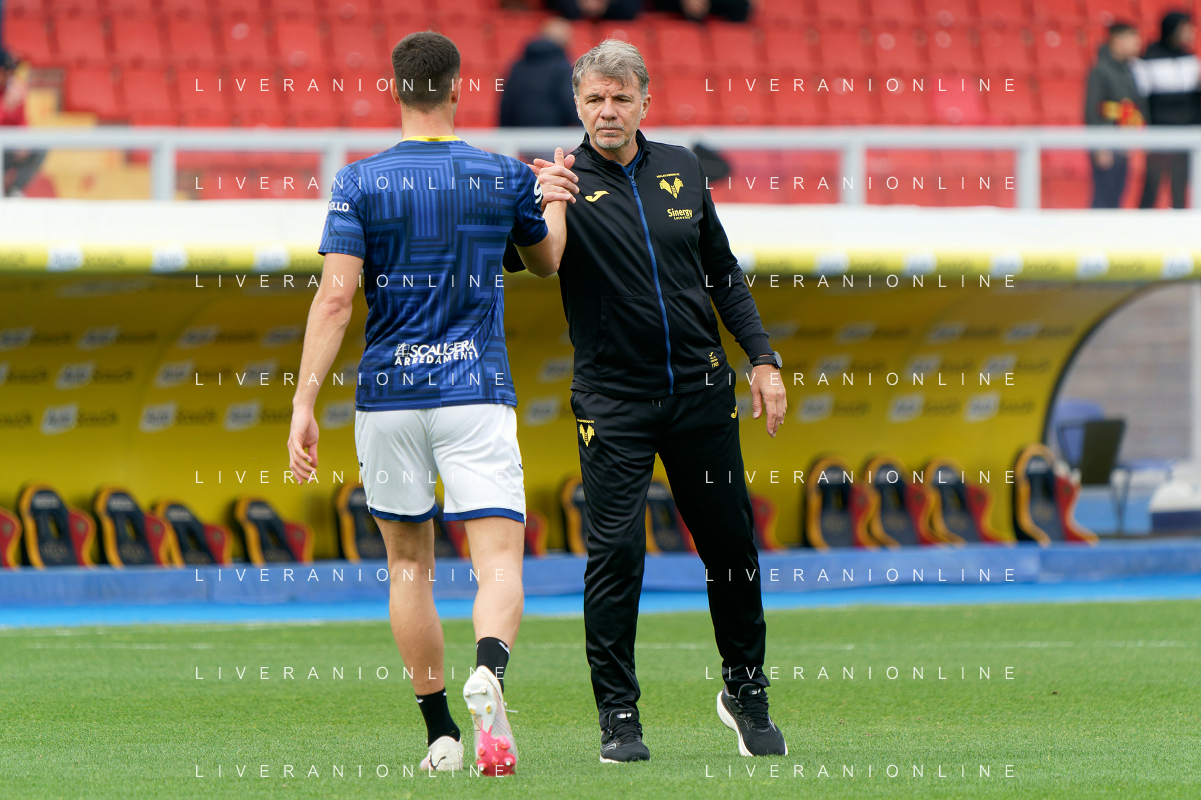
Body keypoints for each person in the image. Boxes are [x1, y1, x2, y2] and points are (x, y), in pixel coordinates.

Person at [287, 31, 569, 776]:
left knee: (408, 566)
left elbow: (335, 299)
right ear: (458, 88)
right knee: (496, 559)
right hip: (474, 392)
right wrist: (553, 199)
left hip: (389, 398)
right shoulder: (501, 174)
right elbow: (547, 263)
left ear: (395, 90)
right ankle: (490, 671)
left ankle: (440, 735)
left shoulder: (358, 181)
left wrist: (303, 403)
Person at [504, 39, 789, 762]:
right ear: (577, 106)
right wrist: (542, 206)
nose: (607, 111)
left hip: (701, 394)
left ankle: (746, 692)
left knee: (730, 548)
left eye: (620, 98)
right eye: (594, 99)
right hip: (614, 403)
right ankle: (619, 716)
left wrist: (761, 358)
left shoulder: (683, 169)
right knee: (617, 556)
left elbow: (722, 273)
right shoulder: (558, 182)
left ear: (644, 102)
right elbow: (531, 263)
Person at [1133, 11, 1199, 208]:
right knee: (1152, 184)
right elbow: (1142, 100)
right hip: (1160, 132)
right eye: (1186, 28)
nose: (1191, 32)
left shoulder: (1190, 58)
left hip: (1187, 132)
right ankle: (1143, 223)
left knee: (1180, 185)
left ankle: (1181, 224)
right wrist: (1146, 132)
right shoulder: (1148, 59)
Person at [1083, 22, 1147, 208]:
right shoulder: (1100, 71)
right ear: (1117, 40)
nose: (1137, 44)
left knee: (1117, 193)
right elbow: (1092, 110)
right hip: (1106, 141)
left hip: (1123, 140)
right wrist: (1099, 146)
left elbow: (1135, 105)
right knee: (1104, 194)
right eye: (1132, 39)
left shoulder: (1129, 70)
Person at [500, 18, 579, 128]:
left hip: (519, 134)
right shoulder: (562, 67)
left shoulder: (518, 67)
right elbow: (570, 102)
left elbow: (506, 104)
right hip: (551, 133)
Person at [1, 51, 47, 197]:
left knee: (39, 147)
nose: (10, 74)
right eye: (6, 70)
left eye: (12, 70)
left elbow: (22, 121)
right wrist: (6, 106)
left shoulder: (13, 90)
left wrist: (23, 141)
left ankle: (12, 190)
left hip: (8, 147)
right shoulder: (9, 96)